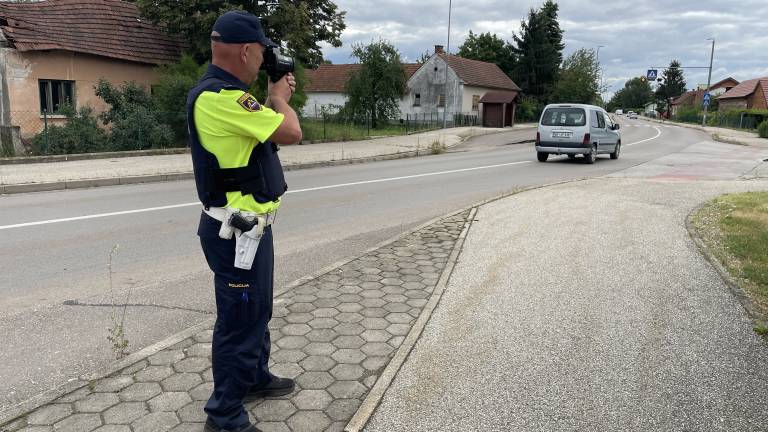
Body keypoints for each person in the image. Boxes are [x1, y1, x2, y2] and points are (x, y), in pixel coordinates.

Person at [185, 10, 302, 432]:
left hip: (250, 230)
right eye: (262, 51)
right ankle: (224, 416)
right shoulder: (221, 98)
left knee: (256, 312)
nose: (264, 59)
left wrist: (271, 99)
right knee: (239, 322)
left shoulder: (230, 97)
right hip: (234, 233)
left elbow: (261, 137)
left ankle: (253, 378)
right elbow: (291, 132)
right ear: (247, 50)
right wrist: (279, 98)